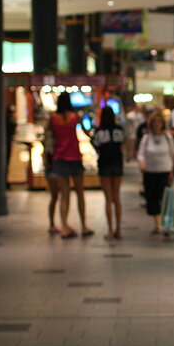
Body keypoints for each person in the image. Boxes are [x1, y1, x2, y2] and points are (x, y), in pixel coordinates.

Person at [46, 92, 94, 239]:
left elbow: (48, 135)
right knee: (80, 192)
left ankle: (64, 226)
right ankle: (84, 225)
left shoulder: (53, 118)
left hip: (59, 158)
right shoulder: (75, 117)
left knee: (64, 195)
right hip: (74, 157)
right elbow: (87, 132)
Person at [137, 111, 174, 235]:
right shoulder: (147, 137)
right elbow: (141, 153)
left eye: (159, 121)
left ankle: (165, 223)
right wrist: (142, 164)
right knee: (152, 198)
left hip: (165, 170)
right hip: (150, 171)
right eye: (155, 122)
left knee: (163, 198)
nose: (157, 124)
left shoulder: (168, 137)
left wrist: (173, 171)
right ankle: (158, 223)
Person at [92, 105, 126, 239]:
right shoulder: (119, 130)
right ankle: (118, 229)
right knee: (117, 198)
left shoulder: (99, 131)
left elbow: (96, 147)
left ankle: (110, 230)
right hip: (117, 163)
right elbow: (123, 145)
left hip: (104, 164)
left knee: (108, 198)